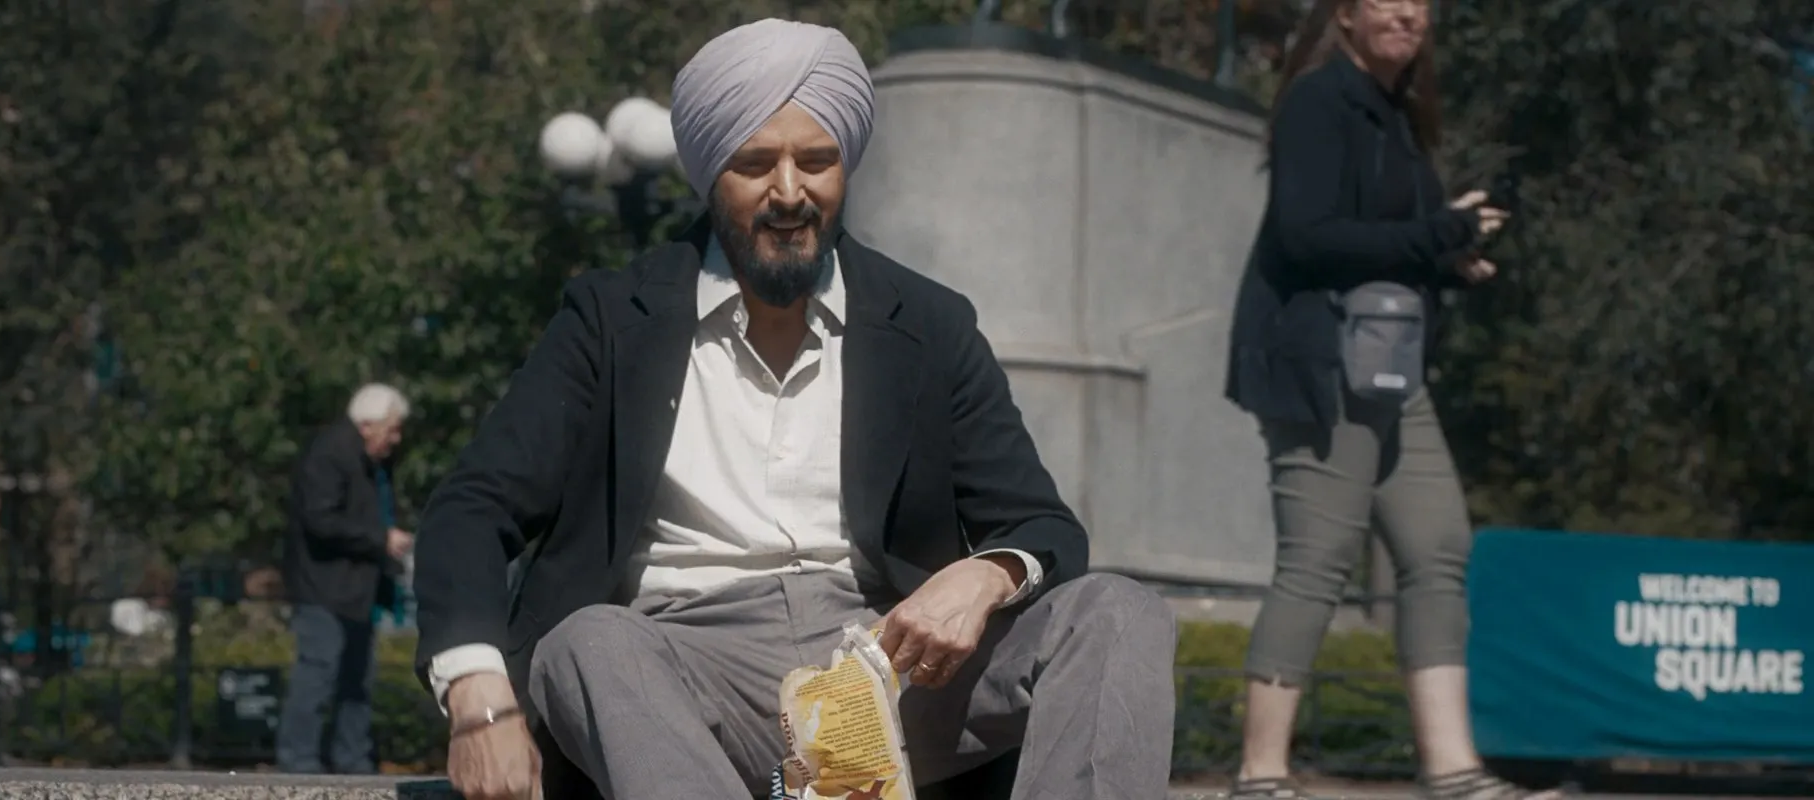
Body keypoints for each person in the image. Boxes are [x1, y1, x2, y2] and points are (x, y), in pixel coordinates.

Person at [411, 18, 1179, 800]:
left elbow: (1042, 527)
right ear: (710, 174)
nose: (789, 192)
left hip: (892, 672)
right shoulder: (611, 320)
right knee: (585, 642)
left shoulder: (929, 324)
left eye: (816, 161)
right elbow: (473, 508)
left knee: (1117, 612)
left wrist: (984, 576)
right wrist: (477, 697)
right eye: (754, 164)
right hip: (682, 673)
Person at [1221, 1, 1544, 799]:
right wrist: (1440, 233)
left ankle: (1452, 770)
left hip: (1392, 365)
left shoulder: (1400, 116)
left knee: (1438, 545)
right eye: (1385, 0)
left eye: (1419, 1)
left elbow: (1383, 244)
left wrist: (1450, 257)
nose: (1407, 12)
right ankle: (1261, 776)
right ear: (1346, 16)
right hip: (1320, 361)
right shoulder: (1319, 99)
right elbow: (1306, 236)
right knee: (1319, 558)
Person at [277, 382, 416, 774]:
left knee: (357, 680)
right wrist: (380, 539)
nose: (396, 438)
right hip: (322, 587)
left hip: (356, 588)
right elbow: (320, 519)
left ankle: (353, 761)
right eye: (392, 429)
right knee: (318, 673)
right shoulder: (330, 454)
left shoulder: (370, 462)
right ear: (367, 425)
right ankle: (298, 761)